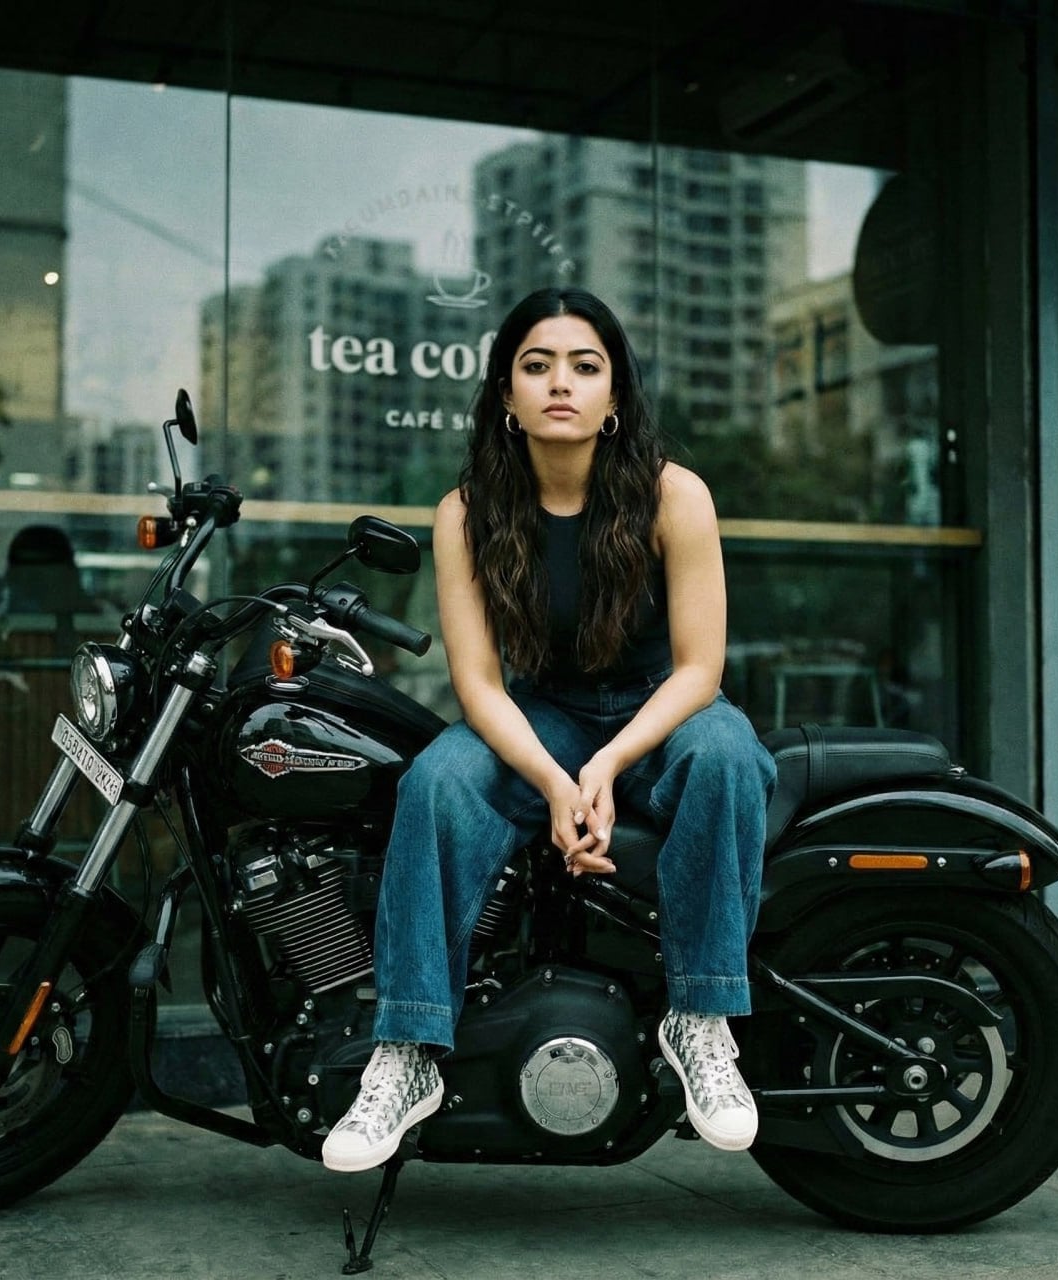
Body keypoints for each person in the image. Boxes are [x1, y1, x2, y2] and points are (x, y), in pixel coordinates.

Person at [322, 287, 776, 1174]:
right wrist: (559, 784)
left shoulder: (672, 495)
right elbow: (478, 685)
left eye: (584, 365)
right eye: (536, 366)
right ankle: (409, 1053)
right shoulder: (467, 512)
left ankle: (702, 1020)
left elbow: (699, 671)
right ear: (505, 395)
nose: (559, 383)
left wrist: (607, 763)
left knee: (726, 754)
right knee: (435, 783)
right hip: (535, 716)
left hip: (659, 710)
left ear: (615, 399)